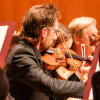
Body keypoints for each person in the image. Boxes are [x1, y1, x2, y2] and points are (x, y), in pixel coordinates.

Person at [5, 3, 85, 100]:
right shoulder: (21, 54)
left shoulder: (40, 53)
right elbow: (51, 86)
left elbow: (54, 93)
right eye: (55, 32)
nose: (55, 37)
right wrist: (87, 88)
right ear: (44, 32)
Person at [68, 17, 99, 99]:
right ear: (77, 40)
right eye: (92, 36)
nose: (96, 40)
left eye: (97, 35)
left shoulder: (95, 60)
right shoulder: (66, 66)